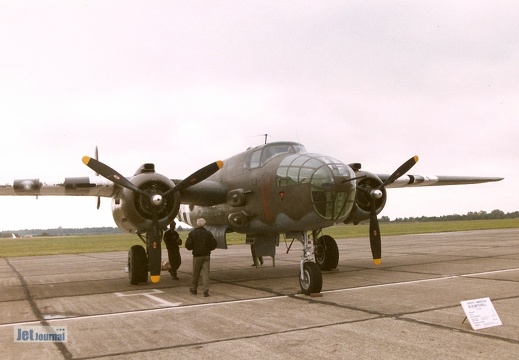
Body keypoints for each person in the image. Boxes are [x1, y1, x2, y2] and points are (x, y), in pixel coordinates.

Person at [185, 218, 217, 297]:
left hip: (197, 256)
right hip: (206, 255)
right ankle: (205, 291)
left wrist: (193, 247)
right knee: (206, 274)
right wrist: (209, 249)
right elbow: (214, 243)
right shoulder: (208, 233)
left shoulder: (192, 233)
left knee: (196, 273)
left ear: (197, 224)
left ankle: (194, 289)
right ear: (204, 225)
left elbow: (187, 245)